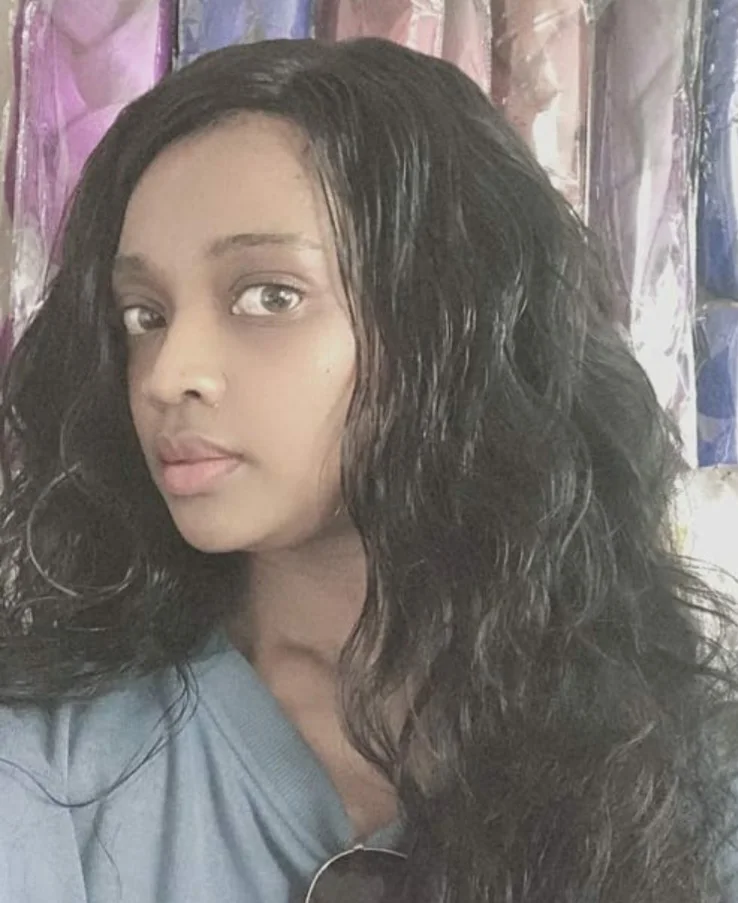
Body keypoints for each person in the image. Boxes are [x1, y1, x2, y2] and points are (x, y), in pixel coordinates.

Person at [0, 36, 735, 903]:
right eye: (143, 314)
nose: (168, 374)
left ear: (448, 321)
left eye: (269, 295)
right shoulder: (48, 768)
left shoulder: (674, 761)